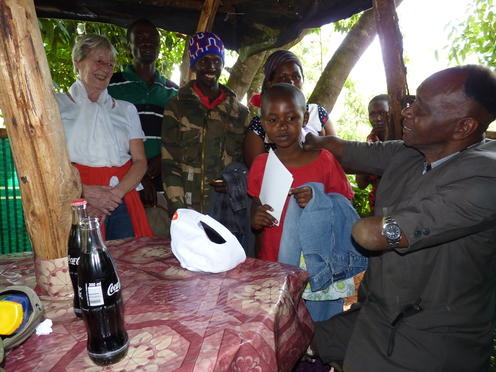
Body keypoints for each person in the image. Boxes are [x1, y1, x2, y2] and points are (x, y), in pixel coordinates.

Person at [305, 65, 496, 371]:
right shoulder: (412, 152)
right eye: (412, 101)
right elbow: (344, 149)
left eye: (421, 107)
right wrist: (308, 140)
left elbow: (380, 234)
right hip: (375, 314)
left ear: (463, 127)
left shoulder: (486, 179)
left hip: (430, 339)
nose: (406, 112)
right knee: (295, 339)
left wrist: (346, 219)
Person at [248, 84, 356, 320]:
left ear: (305, 117)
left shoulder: (324, 160)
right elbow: (257, 212)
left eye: (291, 117)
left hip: (316, 263)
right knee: (282, 323)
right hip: (274, 261)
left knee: (317, 326)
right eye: (273, 119)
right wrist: (256, 219)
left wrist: (318, 200)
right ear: (263, 123)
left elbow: (345, 208)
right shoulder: (261, 165)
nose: (282, 126)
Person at [56, 34, 152, 240]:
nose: (106, 69)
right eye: (99, 61)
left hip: (122, 195)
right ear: (77, 61)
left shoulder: (126, 109)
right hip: (75, 196)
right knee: (80, 263)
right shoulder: (55, 105)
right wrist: (84, 192)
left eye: (111, 64)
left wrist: (113, 197)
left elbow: (140, 161)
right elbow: (48, 163)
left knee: (126, 263)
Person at [161, 32, 249, 216]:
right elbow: (169, 163)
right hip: (188, 207)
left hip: (228, 209)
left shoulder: (240, 113)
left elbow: (248, 163)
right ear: (193, 64)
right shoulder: (176, 106)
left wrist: (234, 185)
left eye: (217, 61)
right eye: (204, 60)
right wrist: (180, 211)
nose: (211, 67)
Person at [108, 19, 178, 220]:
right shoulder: (111, 86)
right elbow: (104, 135)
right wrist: (139, 175)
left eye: (152, 38)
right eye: (139, 38)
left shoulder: (174, 92)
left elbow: (180, 139)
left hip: (164, 184)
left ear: (159, 44)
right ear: (128, 45)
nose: (146, 43)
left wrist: (162, 159)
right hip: (121, 183)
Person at [243, 50, 336, 167]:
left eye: (296, 76)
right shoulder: (259, 125)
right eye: (283, 77)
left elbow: (335, 158)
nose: (291, 81)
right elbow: (257, 173)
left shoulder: (317, 113)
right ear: (269, 83)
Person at [355, 94, 390, 211]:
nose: (377, 118)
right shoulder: (370, 142)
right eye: (372, 114)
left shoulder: (405, 140)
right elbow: (361, 184)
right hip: (378, 207)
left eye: (382, 113)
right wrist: (369, 150)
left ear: (392, 113)